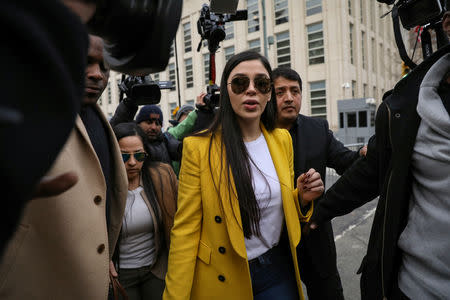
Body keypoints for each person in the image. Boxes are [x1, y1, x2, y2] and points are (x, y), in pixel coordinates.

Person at [163, 50, 324, 300]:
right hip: (221, 273)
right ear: (226, 90)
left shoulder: (282, 140)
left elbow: (279, 209)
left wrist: (301, 197)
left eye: (261, 84)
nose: (251, 90)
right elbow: (185, 231)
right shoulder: (198, 148)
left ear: (269, 92)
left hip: (276, 270)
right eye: (240, 83)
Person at [308, 15, 450, 300]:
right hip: (414, 288)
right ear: (447, 23)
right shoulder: (406, 104)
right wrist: (315, 214)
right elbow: (371, 170)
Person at [0, 35, 128, 300]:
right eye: (86, 62)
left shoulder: (97, 118)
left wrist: (103, 256)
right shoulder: (23, 114)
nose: (97, 75)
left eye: (104, 66)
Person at [272, 67, 365, 300]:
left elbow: (346, 161)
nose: (289, 97)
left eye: (295, 91)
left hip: (315, 235)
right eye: (280, 91)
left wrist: (364, 154)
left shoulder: (318, 128)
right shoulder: (256, 133)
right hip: (274, 242)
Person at [111, 122, 177, 300]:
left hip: (156, 270)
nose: (132, 162)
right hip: (120, 274)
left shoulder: (162, 176)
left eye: (139, 155)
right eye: (124, 156)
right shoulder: (103, 184)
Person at [111, 103, 181, 165]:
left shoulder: (167, 139)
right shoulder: (131, 139)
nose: (154, 127)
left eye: (157, 123)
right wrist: (129, 103)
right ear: (138, 124)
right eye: (149, 122)